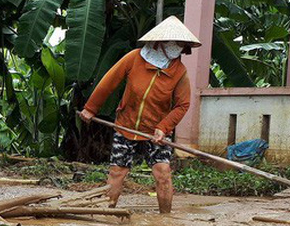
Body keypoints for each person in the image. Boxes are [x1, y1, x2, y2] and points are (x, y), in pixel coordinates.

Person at [79, 16, 200, 213]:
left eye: (181, 44)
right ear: (161, 43)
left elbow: (182, 105)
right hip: (126, 126)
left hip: (156, 133)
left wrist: (163, 128)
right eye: (174, 43)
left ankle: (165, 219)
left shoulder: (179, 72)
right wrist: (91, 108)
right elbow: (109, 81)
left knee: (163, 174)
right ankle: (106, 212)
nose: (177, 48)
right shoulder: (135, 58)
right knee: (117, 172)